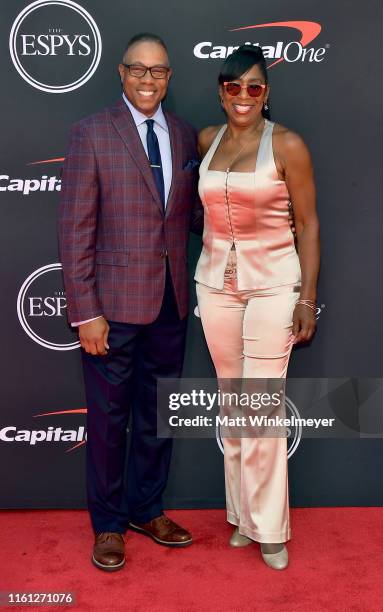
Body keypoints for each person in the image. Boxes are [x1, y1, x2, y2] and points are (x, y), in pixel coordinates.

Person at [58, 32, 202, 571]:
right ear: (120, 73)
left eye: (159, 71)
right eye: (139, 70)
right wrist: (85, 311)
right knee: (108, 418)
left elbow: (189, 218)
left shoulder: (186, 136)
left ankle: (147, 508)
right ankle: (109, 524)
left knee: (157, 416)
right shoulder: (91, 133)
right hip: (111, 310)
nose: (148, 79)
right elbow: (75, 232)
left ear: (169, 77)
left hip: (170, 304)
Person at [195, 45, 320, 570]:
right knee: (232, 403)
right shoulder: (206, 140)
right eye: (233, 86)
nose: (243, 96)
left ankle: (270, 528)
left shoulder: (288, 144)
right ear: (221, 92)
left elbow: (309, 224)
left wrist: (308, 297)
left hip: (274, 286)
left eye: (254, 87)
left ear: (267, 93)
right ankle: (242, 515)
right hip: (216, 286)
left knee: (261, 404)